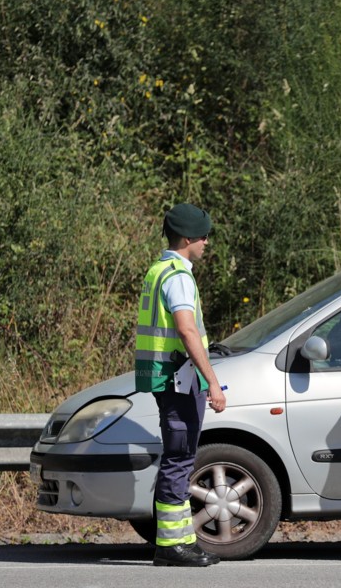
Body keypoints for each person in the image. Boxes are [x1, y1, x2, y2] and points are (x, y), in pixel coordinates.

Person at [135, 203, 227, 567]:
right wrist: (213, 383)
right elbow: (187, 330)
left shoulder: (158, 270)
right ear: (188, 239)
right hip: (179, 379)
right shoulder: (177, 276)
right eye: (204, 236)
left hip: (170, 378)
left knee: (181, 459)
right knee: (179, 459)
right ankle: (171, 547)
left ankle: (183, 541)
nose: (207, 242)